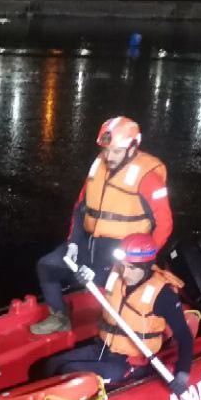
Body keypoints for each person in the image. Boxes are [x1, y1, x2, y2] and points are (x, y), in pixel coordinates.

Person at [30, 116, 174, 334]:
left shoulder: (148, 179)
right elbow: (81, 208)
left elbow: (164, 224)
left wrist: (139, 261)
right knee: (47, 266)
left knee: (106, 284)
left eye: (115, 151)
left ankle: (118, 329)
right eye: (106, 150)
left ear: (132, 147)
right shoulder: (98, 167)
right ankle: (60, 316)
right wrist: (73, 242)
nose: (108, 156)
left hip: (123, 254)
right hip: (90, 245)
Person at [47, 232, 194, 390]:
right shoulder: (116, 273)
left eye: (131, 268)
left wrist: (182, 373)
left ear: (145, 267)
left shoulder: (163, 295)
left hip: (131, 362)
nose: (125, 273)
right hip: (103, 348)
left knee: (69, 371)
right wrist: (85, 273)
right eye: (123, 265)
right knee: (52, 365)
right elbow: (94, 274)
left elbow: (184, 337)